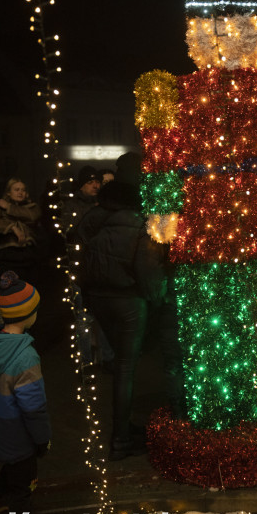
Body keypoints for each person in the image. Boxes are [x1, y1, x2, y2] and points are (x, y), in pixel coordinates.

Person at [78, 155, 180, 460]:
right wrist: (157, 299)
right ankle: (121, 439)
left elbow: (79, 241)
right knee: (126, 367)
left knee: (122, 365)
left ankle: (123, 430)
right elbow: (148, 272)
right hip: (127, 298)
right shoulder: (143, 222)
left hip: (97, 296)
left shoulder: (98, 213)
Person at [0, 271, 51, 514]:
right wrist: (42, 440)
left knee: (6, 479)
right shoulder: (25, 356)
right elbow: (33, 408)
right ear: (29, 316)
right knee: (22, 490)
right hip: (19, 439)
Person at [0, 179, 41, 281]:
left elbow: (32, 216)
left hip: (28, 254)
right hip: (7, 254)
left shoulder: (32, 207)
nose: (20, 192)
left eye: (23, 190)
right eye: (16, 190)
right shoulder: (0, 208)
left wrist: (9, 207)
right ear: (9, 192)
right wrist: (12, 227)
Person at [60, 165, 100, 238]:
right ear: (81, 186)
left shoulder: (102, 203)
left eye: (97, 182)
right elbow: (70, 230)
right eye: (90, 182)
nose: (95, 186)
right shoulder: (71, 205)